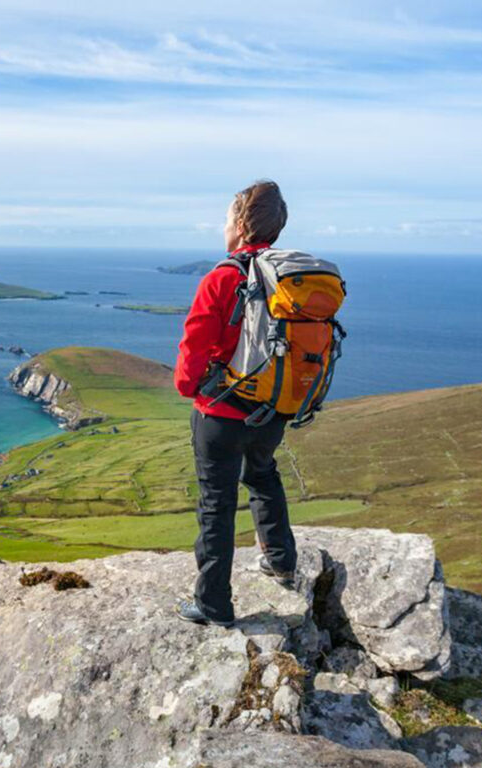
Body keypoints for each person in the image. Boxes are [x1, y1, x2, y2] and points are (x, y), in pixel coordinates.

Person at [173, 180, 296, 626]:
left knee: (216, 502)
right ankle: (281, 561)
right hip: (272, 409)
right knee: (263, 473)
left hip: (221, 413)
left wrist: (189, 389)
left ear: (241, 225)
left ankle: (214, 604)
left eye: (227, 218)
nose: (223, 226)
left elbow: (194, 343)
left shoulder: (224, 277)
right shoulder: (287, 280)